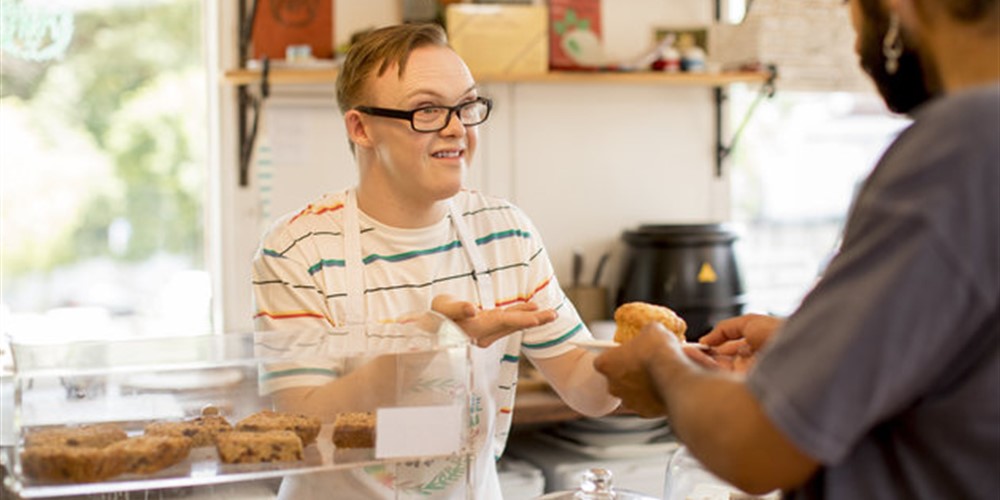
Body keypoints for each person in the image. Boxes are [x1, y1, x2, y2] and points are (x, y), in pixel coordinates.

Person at [594, 0, 999, 497]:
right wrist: (804, 347)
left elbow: (757, 448)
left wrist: (660, 367)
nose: (849, 19)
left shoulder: (966, 143)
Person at [251, 23, 619, 499]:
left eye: (466, 106)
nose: (456, 128)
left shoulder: (505, 233)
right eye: (427, 110)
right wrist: (429, 342)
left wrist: (645, 362)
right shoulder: (298, 249)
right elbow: (303, 427)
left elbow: (583, 388)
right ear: (361, 128)